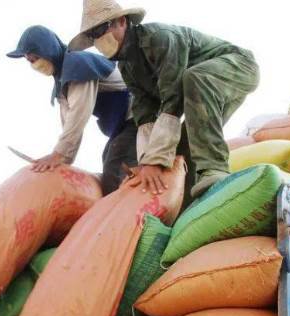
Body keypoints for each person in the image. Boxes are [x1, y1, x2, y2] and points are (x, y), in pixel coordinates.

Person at [70, 0, 260, 204]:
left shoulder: (159, 38)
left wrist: (155, 160)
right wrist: (146, 163)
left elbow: (174, 98)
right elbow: (145, 115)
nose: (99, 40)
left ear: (122, 22)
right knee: (184, 146)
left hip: (238, 67)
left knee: (194, 78)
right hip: (200, 92)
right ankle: (190, 205)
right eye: (93, 36)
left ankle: (214, 171)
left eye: (101, 29)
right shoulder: (128, 67)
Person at [7, 25, 137, 194]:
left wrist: (59, 155)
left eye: (36, 58)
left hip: (139, 116)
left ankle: (130, 216)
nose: (34, 65)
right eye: (30, 61)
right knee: (109, 159)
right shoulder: (62, 81)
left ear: (48, 50)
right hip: (123, 126)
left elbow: (78, 114)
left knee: (114, 169)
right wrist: (61, 160)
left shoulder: (78, 65)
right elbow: (67, 121)